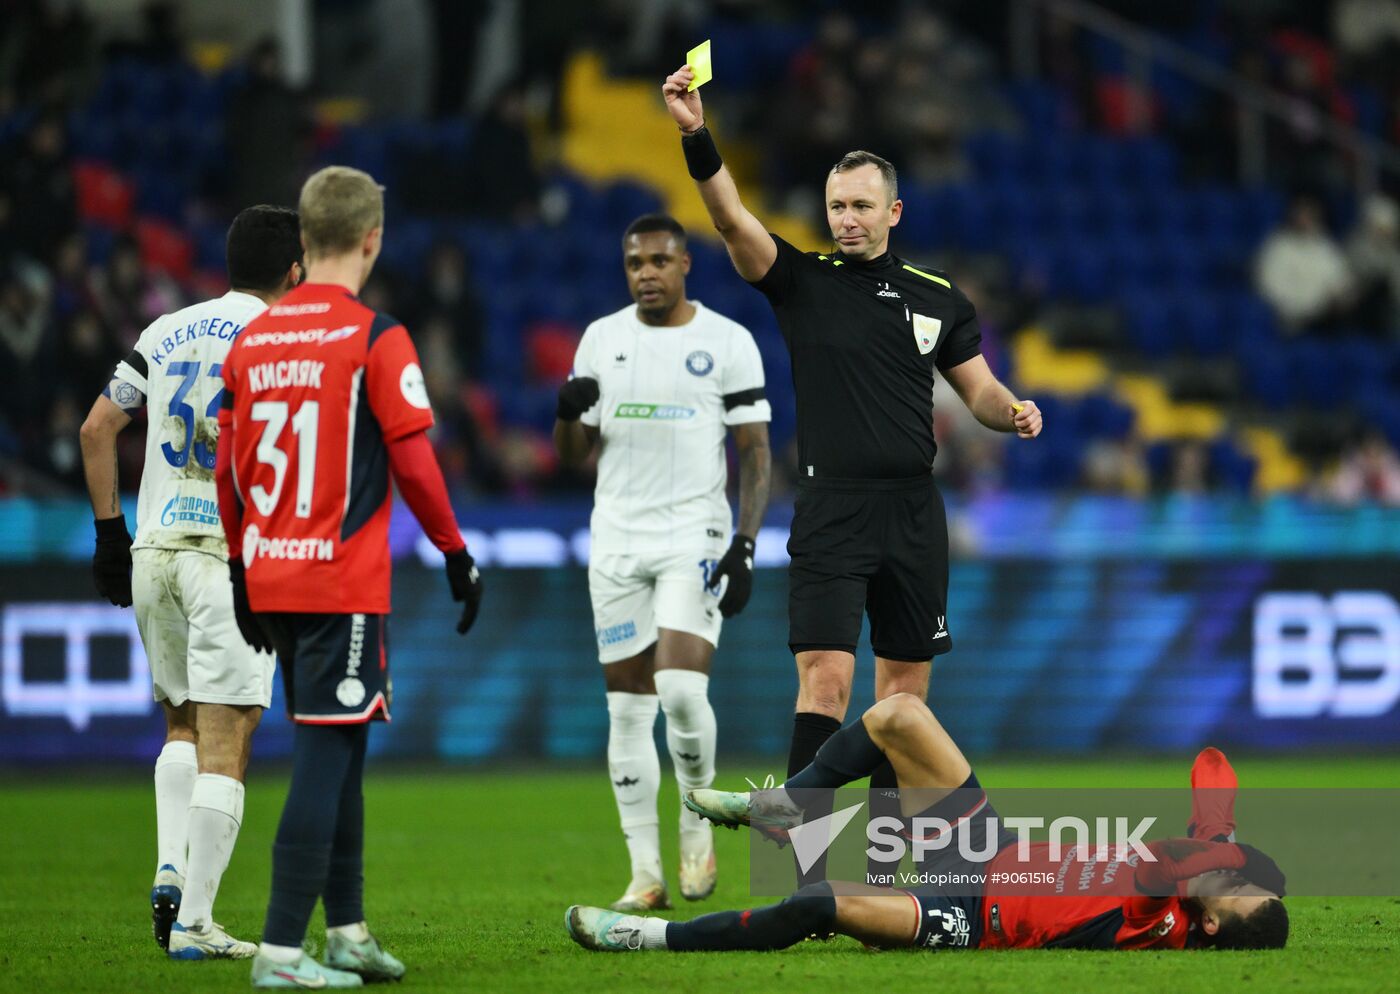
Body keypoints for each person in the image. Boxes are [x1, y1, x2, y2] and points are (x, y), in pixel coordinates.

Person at [659, 64, 1043, 861]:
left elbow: (976, 391)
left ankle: (886, 861)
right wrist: (698, 134)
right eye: (837, 206)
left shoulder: (940, 299)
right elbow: (731, 221)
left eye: (862, 206)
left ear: (893, 211)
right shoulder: (801, 280)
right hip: (832, 508)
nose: (847, 219)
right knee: (826, 681)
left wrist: (1011, 411)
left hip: (912, 513)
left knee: (902, 697)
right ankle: (800, 862)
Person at [215, 166, 485, 989]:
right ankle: (281, 954)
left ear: (301, 243)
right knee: (327, 758)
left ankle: (350, 932)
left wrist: (238, 568)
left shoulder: (253, 340)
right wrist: (454, 550)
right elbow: (413, 459)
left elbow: (228, 469)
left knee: (345, 743)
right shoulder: (376, 336)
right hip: (340, 583)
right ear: (373, 239)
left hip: (270, 575)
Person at [566, 694, 1289, 954]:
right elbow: (1212, 763)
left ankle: (650, 938)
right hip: (989, 851)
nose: (1233, 878)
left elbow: (1165, 867)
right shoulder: (1202, 878)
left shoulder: (1160, 923)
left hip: (969, 915)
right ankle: (790, 807)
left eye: (1239, 892)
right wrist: (1223, 839)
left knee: (819, 906)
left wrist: (1217, 844)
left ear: (1216, 926)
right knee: (900, 716)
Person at [76, 205, 304, 959]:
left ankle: (171, 871)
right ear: (293, 270)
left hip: (153, 550)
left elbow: (96, 430)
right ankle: (196, 925)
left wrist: (111, 536)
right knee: (228, 739)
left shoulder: (165, 329)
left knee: (179, 724)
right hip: (226, 558)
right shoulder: (279, 340)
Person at [555, 213, 772, 911]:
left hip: (694, 537)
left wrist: (745, 543)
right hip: (617, 541)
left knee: (680, 692)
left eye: (658, 260)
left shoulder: (728, 342)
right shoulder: (601, 339)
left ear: (685, 266)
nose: (645, 272)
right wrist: (565, 415)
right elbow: (572, 455)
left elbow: (756, 452)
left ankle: (695, 824)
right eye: (634, 263)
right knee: (625, 711)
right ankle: (645, 874)